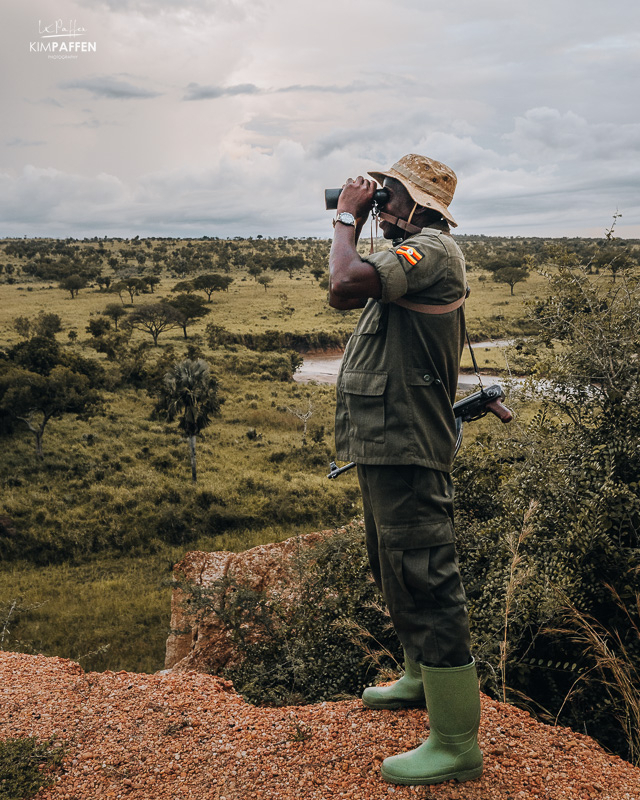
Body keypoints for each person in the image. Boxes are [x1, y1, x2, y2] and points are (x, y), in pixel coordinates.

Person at [328, 154, 482, 786]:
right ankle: (419, 676)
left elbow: (341, 283)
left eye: (390, 195)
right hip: (382, 442)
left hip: (409, 444)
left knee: (426, 576)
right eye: (380, 193)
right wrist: (366, 221)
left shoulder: (433, 251)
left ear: (422, 207)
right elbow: (349, 297)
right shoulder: (404, 253)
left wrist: (345, 217)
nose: (380, 202)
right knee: (393, 565)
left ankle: (455, 742)